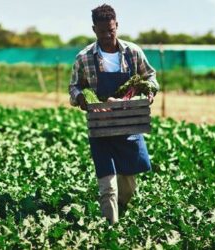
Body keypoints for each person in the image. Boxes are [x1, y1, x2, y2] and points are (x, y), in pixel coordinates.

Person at [68, 4, 159, 224]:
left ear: (116, 25)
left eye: (111, 30)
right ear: (94, 30)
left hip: (129, 125)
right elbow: (74, 87)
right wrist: (81, 98)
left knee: (128, 186)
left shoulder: (133, 52)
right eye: (102, 32)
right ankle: (111, 229)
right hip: (101, 127)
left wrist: (149, 91)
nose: (107, 36)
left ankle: (122, 208)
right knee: (108, 186)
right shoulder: (84, 57)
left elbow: (151, 77)